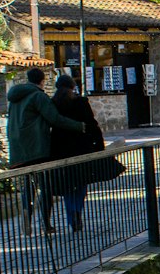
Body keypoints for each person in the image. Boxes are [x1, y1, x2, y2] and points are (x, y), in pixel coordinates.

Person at [6, 66, 85, 234]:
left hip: (18, 149)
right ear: (42, 81)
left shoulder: (14, 98)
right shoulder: (38, 96)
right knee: (46, 186)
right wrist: (79, 126)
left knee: (28, 186)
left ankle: (27, 218)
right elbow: (54, 118)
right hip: (37, 148)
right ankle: (46, 223)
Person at [48, 73, 105, 231]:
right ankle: (77, 211)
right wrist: (99, 145)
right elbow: (91, 124)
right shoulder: (80, 102)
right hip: (81, 147)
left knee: (67, 184)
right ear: (73, 86)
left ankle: (71, 213)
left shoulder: (53, 104)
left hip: (60, 148)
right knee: (81, 181)